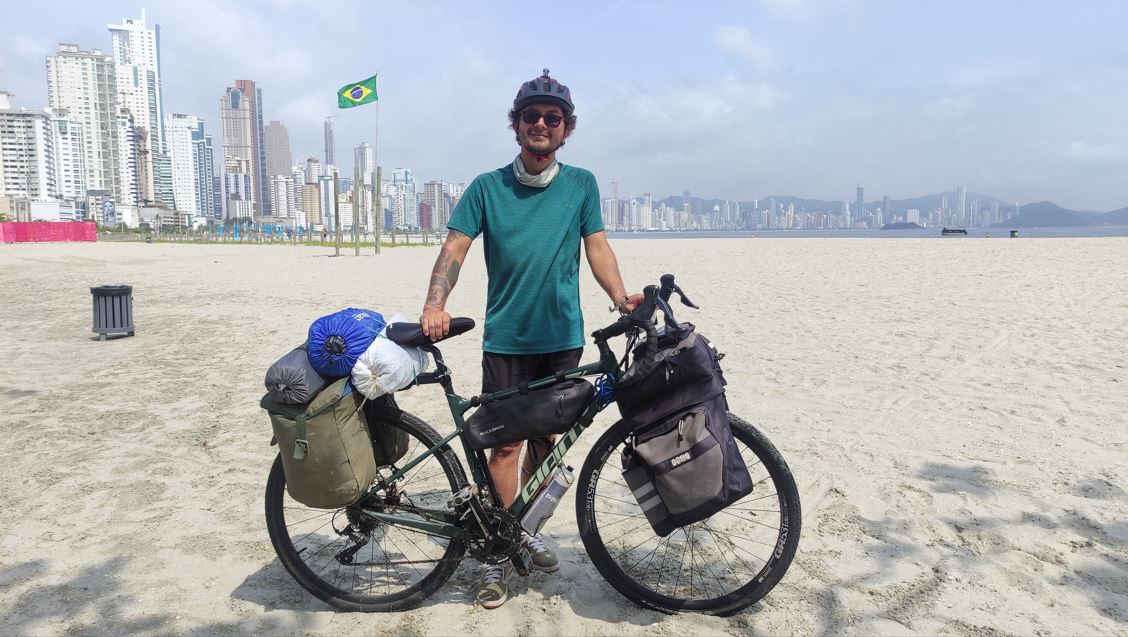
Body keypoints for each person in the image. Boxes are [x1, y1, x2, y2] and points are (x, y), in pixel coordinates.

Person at [419, 69, 641, 609]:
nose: (541, 124)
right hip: (508, 340)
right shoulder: (486, 187)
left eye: (553, 118)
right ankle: (495, 555)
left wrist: (620, 297)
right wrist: (435, 304)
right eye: (531, 116)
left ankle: (525, 530)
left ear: (566, 130)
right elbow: (455, 248)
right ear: (516, 126)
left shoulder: (581, 184)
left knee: (547, 447)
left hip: (561, 338)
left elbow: (598, 249)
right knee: (505, 446)